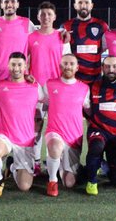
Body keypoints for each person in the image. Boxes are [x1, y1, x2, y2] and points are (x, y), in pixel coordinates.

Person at [0, 52, 45, 198]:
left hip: (25, 141)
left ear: (26, 66)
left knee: (24, 186)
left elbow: (46, 104)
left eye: (20, 65)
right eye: (13, 64)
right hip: (5, 136)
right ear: (8, 65)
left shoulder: (35, 87)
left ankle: (11, 167)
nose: (16, 68)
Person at [27, 1, 71, 176]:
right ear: (38, 17)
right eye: (42, 14)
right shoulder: (30, 37)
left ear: (54, 17)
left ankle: (56, 160)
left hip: (56, 90)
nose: (46, 17)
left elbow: (68, 62)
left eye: (49, 14)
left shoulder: (61, 37)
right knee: (36, 126)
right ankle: (35, 161)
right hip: (36, 89)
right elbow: (24, 60)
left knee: (57, 127)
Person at [84, 56, 116, 195]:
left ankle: (101, 164)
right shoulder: (93, 86)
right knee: (96, 146)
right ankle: (92, 182)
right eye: (107, 66)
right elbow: (87, 109)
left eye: (114, 66)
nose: (111, 69)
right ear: (102, 68)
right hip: (99, 131)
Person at [42, 54, 90, 197]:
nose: (68, 66)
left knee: (69, 183)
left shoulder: (84, 89)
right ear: (60, 66)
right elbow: (39, 102)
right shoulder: (49, 85)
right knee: (55, 147)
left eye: (71, 64)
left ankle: (59, 165)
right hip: (55, 132)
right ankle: (52, 181)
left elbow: (89, 110)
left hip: (74, 138)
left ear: (77, 67)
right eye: (65, 64)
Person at [0, 0, 37, 80]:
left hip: (20, 76)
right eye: (6, 2)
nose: (9, 5)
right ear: (1, 5)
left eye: (13, 2)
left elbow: (41, 36)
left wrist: (61, 31)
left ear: (18, 4)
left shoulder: (27, 23)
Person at [61, 0, 109, 85]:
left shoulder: (102, 25)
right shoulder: (66, 26)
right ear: (75, 6)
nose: (83, 6)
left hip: (96, 79)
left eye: (86, 2)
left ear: (91, 5)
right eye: (80, 3)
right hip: (74, 78)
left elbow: (105, 46)